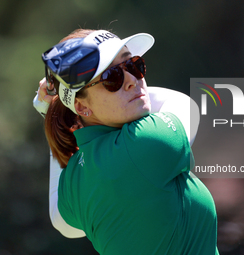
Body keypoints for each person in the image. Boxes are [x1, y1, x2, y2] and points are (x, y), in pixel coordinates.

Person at [33, 28, 219, 255]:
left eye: (133, 65)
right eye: (112, 78)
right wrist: (57, 105)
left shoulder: (73, 180)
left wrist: (56, 109)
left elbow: (62, 223)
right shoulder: (146, 142)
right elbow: (183, 103)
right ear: (81, 107)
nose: (133, 80)